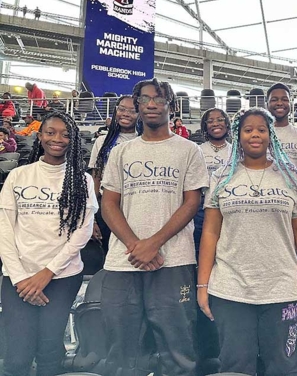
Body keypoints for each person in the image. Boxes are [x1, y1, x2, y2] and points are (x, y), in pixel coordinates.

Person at [197, 108, 297, 376]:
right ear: (238, 136)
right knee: (235, 366)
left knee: (283, 366)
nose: (255, 135)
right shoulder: (221, 177)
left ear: (270, 135)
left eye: (261, 129)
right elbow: (210, 233)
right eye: (248, 129)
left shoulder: (291, 177)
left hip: (283, 287)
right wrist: (203, 284)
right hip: (231, 288)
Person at [100, 78, 208, 376]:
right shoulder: (122, 152)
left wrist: (153, 243)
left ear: (170, 106)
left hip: (174, 261)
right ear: (136, 106)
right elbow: (109, 205)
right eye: (145, 99)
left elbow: (191, 203)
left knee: (178, 350)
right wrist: (138, 245)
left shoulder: (188, 150)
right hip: (123, 262)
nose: (151, 104)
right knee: (121, 352)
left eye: (159, 99)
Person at [0, 111, 98, 376]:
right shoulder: (18, 176)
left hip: (62, 276)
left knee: (49, 350)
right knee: (17, 355)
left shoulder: (83, 180)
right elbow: (5, 230)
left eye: (66, 134)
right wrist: (21, 279)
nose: (58, 139)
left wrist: (47, 273)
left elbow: (81, 232)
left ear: (74, 139)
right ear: (40, 135)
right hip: (18, 278)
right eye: (51, 132)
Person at [194, 107, 232, 375]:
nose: (216, 123)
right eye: (211, 120)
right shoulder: (197, 151)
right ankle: (206, 343)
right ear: (204, 126)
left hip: (230, 216)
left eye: (220, 119)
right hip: (200, 216)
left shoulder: (236, 150)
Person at [89, 96, 139, 253]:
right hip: (108, 205)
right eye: (122, 109)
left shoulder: (144, 140)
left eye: (132, 111)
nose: (126, 114)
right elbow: (96, 177)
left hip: (136, 203)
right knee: (110, 251)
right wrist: (92, 216)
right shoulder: (102, 141)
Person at [266, 83, 297, 187]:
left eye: (284, 99)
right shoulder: (258, 137)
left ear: (290, 103)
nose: (280, 103)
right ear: (267, 104)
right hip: (266, 197)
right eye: (274, 99)